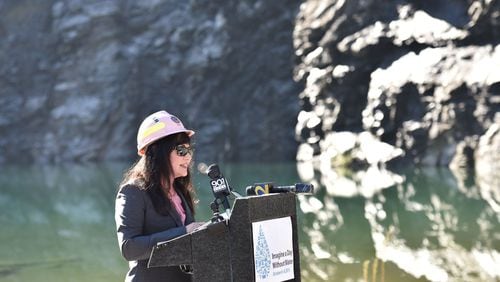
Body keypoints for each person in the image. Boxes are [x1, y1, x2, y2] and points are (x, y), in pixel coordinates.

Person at [115, 110, 205, 282]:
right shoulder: (132, 191)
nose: (189, 156)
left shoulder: (180, 190)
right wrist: (185, 232)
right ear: (159, 153)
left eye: (189, 150)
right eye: (181, 150)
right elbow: (129, 248)